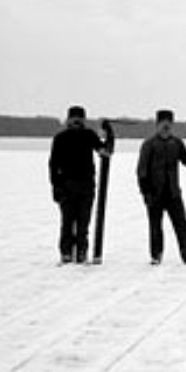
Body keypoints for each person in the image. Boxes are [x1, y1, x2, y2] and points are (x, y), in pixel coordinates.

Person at [136, 109, 186, 265]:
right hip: (154, 193)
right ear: (157, 125)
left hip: (173, 193)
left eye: (169, 124)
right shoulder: (149, 144)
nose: (166, 127)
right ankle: (156, 255)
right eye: (163, 124)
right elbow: (141, 171)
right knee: (155, 226)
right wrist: (146, 192)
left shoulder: (176, 143)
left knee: (181, 225)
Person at [48, 105, 111, 264]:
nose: (76, 121)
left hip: (86, 186)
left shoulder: (89, 135)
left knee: (83, 224)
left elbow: (103, 150)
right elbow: (53, 164)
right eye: (73, 118)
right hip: (66, 186)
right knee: (67, 223)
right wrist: (55, 186)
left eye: (79, 118)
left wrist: (109, 134)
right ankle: (66, 253)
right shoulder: (60, 138)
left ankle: (82, 252)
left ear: (83, 120)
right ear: (68, 120)